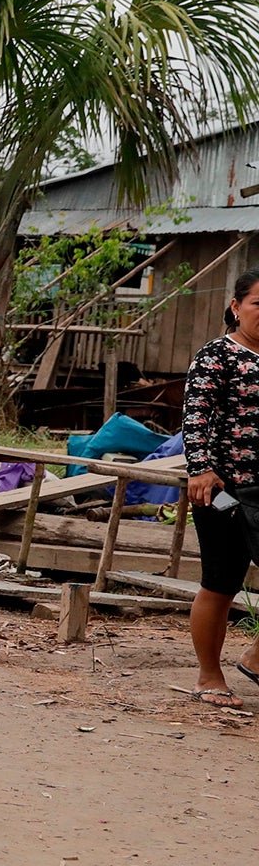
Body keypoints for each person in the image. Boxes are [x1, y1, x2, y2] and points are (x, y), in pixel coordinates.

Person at [183, 268, 259, 705]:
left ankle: (257, 657)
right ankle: (209, 677)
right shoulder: (218, 355)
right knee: (221, 580)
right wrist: (201, 470)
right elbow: (196, 417)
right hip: (224, 489)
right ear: (236, 307)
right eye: (258, 303)